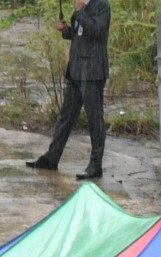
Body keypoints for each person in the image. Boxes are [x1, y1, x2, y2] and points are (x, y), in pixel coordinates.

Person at [28, 0, 111, 178]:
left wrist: (80, 12)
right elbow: (77, 33)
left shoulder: (102, 5)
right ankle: (52, 158)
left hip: (92, 73)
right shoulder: (80, 8)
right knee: (65, 117)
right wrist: (65, 30)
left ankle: (95, 165)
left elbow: (97, 31)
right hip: (75, 70)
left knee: (95, 119)